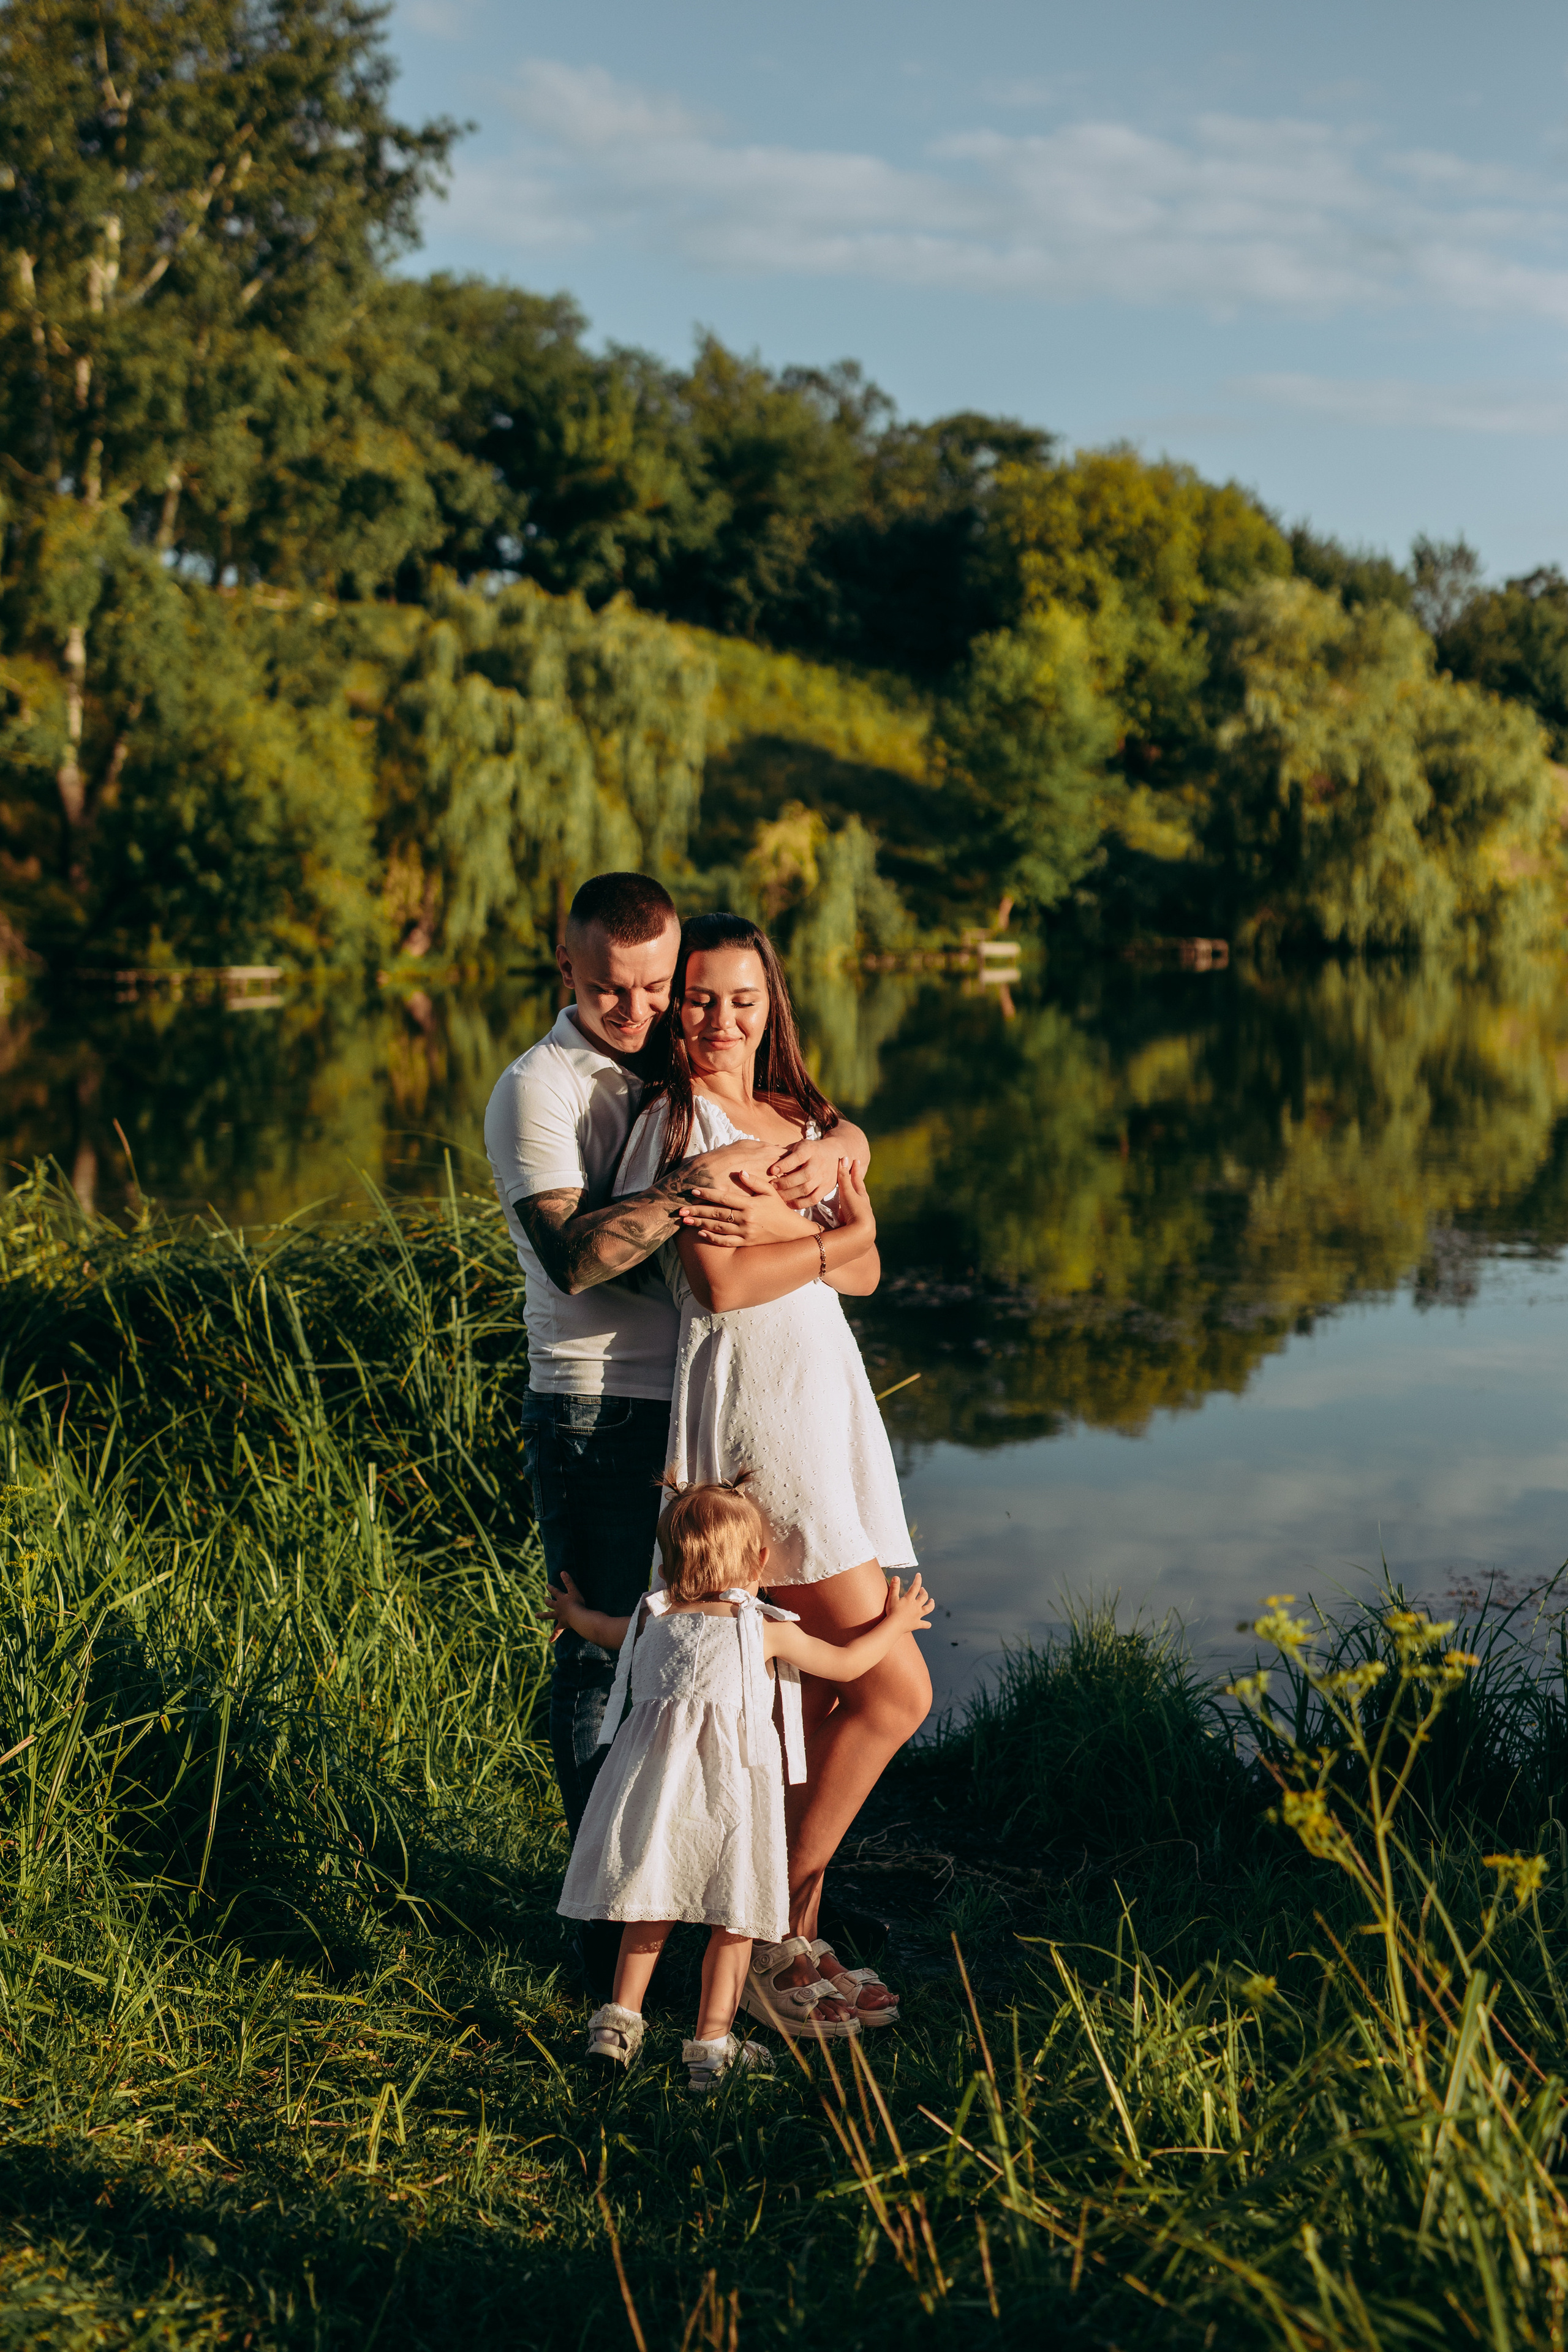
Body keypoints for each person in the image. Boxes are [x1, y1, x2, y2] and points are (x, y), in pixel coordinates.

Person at [483, 872, 869, 2000]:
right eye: (611, 988)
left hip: (708, 1398)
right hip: (597, 1407)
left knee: (726, 1662)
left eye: (656, 986)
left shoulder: (660, 1056)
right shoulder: (537, 1090)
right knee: (611, 1666)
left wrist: (843, 1138)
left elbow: (784, 1095)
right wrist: (686, 1186)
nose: (638, 1008)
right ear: (567, 971)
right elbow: (575, 1260)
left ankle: (735, 1918)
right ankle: (603, 1947)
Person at [611, 911, 932, 2037]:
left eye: (743, 998)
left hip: (823, 1405)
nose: (720, 1019)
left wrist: (842, 1200)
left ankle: (782, 1939)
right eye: (700, 997)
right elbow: (723, 1288)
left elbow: (875, 1267)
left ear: (771, 1004)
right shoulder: (673, 1121)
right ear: (675, 1006)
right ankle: (772, 1933)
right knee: (895, 1688)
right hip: (759, 1424)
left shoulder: (801, 1121)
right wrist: (829, 1239)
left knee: (805, 1701)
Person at [548, 1475, 935, 2091]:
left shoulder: (653, 1618)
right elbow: (847, 1665)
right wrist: (896, 1622)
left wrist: (571, 1613)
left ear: (668, 1560)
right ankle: (708, 2048)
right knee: (733, 1923)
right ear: (760, 1560)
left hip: (657, 1796)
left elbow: (602, 1631)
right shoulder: (760, 1628)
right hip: (730, 1800)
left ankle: (613, 2032)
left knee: (649, 1912)